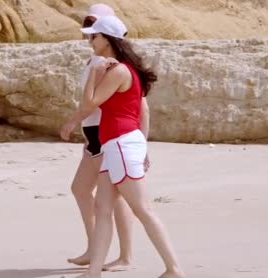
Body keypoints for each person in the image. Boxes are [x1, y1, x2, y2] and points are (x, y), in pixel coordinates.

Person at [61, 15, 185, 278]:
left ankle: (174, 269)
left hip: (121, 144)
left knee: (144, 210)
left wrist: (95, 72)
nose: (90, 41)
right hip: (116, 146)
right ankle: (93, 272)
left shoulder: (118, 71)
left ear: (108, 39)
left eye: (94, 36)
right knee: (103, 209)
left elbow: (88, 105)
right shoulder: (124, 69)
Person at [68, 4, 142, 271]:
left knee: (108, 194)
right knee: (91, 191)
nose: (90, 37)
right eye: (89, 32)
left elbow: (139, 107)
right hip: (95, 136)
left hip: (107, 135)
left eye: (95, 31)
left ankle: (119, 254)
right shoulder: (96, 62)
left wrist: (72, 122)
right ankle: (102, 251)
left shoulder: (114, 67)